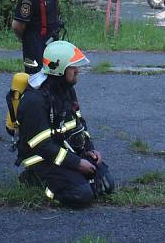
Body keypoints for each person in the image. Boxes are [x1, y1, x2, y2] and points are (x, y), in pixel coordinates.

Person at [16, 40, 114, 207]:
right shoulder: (35, 101)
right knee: (81, 195)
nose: (77, 71)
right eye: (73, 67)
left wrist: (89, 149)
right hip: (41, 159)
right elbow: (42, 146)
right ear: (59, 69)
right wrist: (76, 163)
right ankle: (34, 180)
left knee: (106, 185)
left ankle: (71, 177)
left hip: (63, 151)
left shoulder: (65, 89)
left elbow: (79, 123)